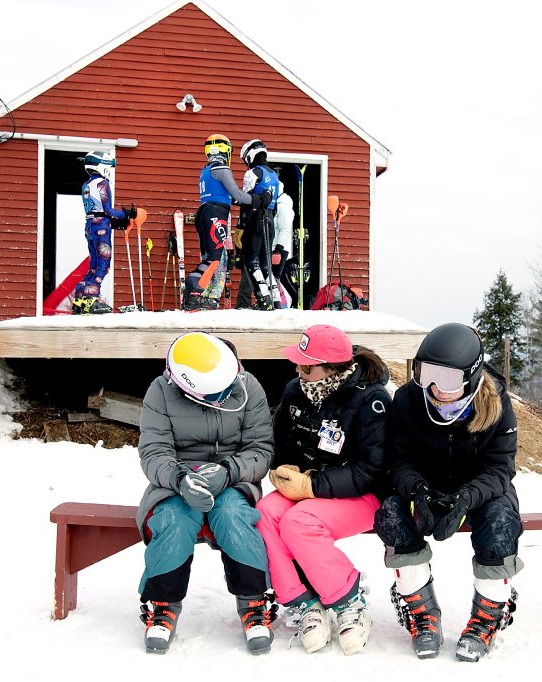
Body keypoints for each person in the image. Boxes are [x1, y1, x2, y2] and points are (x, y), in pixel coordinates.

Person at [374, 322, 522, 662]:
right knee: (392, 513)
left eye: (449, 379)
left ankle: (487, 615)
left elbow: (500, 469)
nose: (437, 389)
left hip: (481, 489)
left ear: (471, 377)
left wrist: (466, 497)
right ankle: (420, 610)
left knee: (500, 521)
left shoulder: (496, 404)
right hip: (426, 484)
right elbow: (400, 460)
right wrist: (418, 491)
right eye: (427, 375)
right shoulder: (408, 400)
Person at [135, 331, 276, 655]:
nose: (222, 398)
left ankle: (254, 601)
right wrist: (179, 478)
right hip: (176, 480)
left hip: (233, 478)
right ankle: (163, 603)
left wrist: (230, 471)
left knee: (234, 515)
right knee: (173, 517)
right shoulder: (160, 391)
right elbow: (154, 451)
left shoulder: (247, 385)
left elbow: (260, 448)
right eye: (215, 395)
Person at [256, 325, 391, 655]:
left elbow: (370, 469)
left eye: (306, 366)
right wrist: (281, 469)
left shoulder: (371, 400)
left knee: (299, 521)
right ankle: (303, 602)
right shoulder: (296, 390)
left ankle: (349, 601)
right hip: (310, 488)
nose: (297, 371)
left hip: (363, 495)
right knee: (264, 514)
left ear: (332, 368)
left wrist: (310, 485)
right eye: (297, 363)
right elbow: (280, 442)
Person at [185, 134, 270, 311]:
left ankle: (200, 295)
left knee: (208, 257)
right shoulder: (221, 168)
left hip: (205, 212)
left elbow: (229, 197)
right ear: (226, 151)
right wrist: (259, 200)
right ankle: (193, 292)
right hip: (215, 214)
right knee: (214, 259)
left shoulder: (206, 170)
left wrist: (249, 201)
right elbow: (237, 194)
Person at [75, 150, 135, 315]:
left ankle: (79, 300)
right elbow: (107, 210)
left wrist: (113, 222)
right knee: (103, 264)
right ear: (102, 166)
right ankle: (92, 300)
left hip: (90, 225)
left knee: (93, 266)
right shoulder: (102, 183)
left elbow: (96, 210)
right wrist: (127, 214)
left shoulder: (86, 185)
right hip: (101, 226)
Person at [238, 139, 280, 311]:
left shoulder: (253, 173)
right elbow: (275, 206)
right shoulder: (275, 176)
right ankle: (275, 299)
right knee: (265, 263)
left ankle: (263, 298)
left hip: (255, 218)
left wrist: (241, 227)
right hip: (270, 220)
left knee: (251, 260)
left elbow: (245, 201)